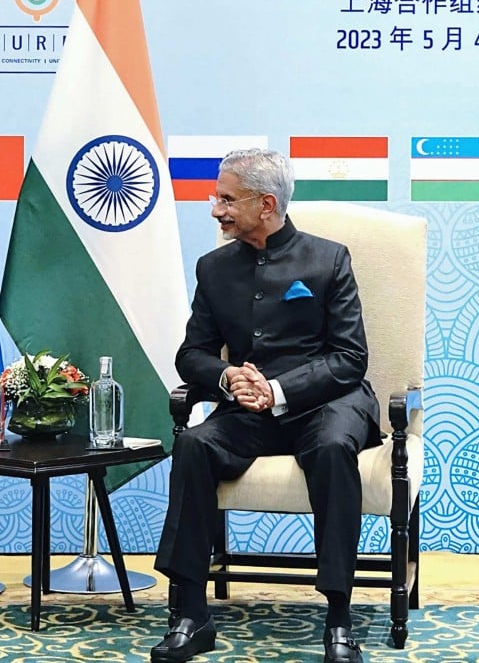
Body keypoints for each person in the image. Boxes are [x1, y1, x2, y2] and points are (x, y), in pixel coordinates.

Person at [151, 148, 379, 663]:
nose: (216, 209)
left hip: (326, 403)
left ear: (267, 203)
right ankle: (191, 613)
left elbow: (350, 359)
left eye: (227, 199)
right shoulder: (213, 268)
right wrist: (229, 377)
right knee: (193, 445)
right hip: (246, 409)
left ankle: (339, 619)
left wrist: (278, 390)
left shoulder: (328, 259)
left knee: (331, 449)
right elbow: (192, 354)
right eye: (217, 198)